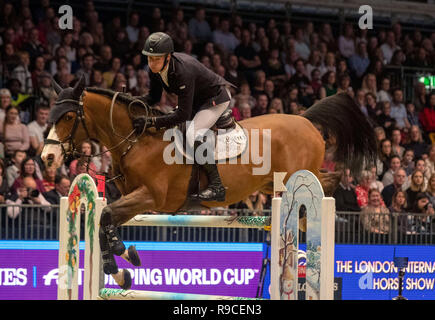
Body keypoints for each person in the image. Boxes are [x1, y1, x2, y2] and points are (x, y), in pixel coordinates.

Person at [132, 32, 234, 202]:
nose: (152, 63)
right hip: (196, 100)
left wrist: (152, 122)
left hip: (214, 100)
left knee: (193, 133)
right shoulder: (156, 70)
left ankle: (217, 186)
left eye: (156, 59)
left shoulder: (182, 72)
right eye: (149, 58)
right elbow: (154, 98)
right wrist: (131, 101)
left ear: (168, 57)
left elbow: (183, 115)